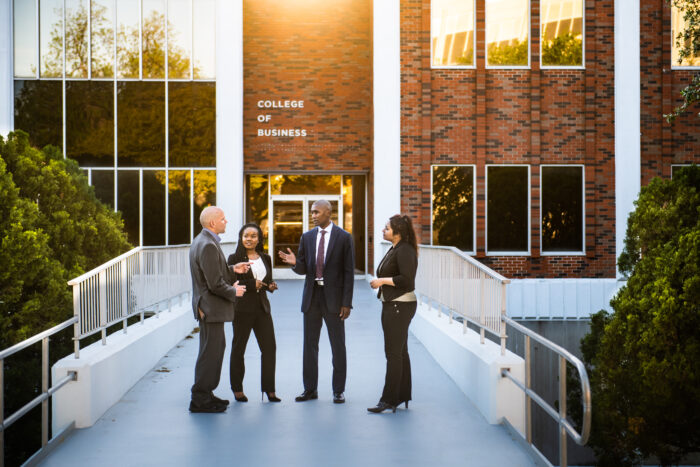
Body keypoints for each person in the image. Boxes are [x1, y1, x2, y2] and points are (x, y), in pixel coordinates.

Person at [278, 199, 354, 404]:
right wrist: (295, 263)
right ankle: (310, 389)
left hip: (335, 300)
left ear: (329, 213)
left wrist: (346, 303)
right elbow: (304, 270)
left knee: (338, 346)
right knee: (309, 346)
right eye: (312, 212)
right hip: (312, 298)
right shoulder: (307, 237)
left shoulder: (344, 238)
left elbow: (348, 273)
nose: (313, 215)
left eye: (317, 212)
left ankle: (338, 390)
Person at [189, 206, 249, 413]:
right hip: (210, 308)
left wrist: (233, 269)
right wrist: (234, 292)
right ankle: (200, 399)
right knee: (210, 354)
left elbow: (213, 273)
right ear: (213, 223)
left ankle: (206, 394)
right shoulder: (207, 245)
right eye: (223, 219)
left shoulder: (202, 241)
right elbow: (214, 284)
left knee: (212, 351)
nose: (226, 221)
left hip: (208, 307)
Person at [368, 214, 419, 414]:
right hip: (393, 305)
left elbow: (407, 281)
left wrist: (382, 281)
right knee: (400, 352)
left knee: (393, 354)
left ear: (397, 232)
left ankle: (388, 400)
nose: (383, 230)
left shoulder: (405, 250)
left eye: (387, 228)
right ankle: (402, 395)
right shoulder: (395, 248)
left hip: (399, 306)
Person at [227, 223, 280, 403]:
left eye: (253, 236)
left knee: (269, 348)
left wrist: (270, 286)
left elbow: (267, 280)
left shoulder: (266, 258)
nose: (249, 239)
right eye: (245, 236)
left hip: (262, 309)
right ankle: (237, 389)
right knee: (238, 349)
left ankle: (269, 389)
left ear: (259, 239)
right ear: (241, 238)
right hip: (242, 309)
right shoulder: (233, 258)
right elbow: (230, 282)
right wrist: (251, 285)